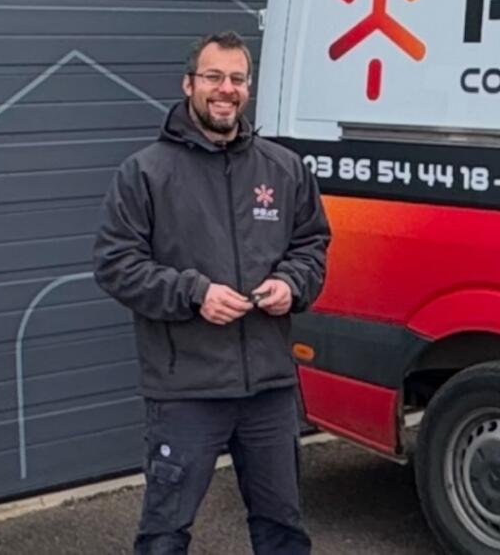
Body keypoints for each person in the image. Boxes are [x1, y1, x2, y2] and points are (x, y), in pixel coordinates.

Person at [93, 31, 330, 554]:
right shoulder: (145, 173)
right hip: (186, 389)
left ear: (248, 88)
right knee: (165, 534)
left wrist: (291, 283)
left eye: (237, 79)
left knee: (283, 529)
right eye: (213, 77)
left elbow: (312, 245)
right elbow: (115, 264)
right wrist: (193, 293)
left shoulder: (283, 168)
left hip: (268, 387)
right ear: (189, 85)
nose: (226, 89)